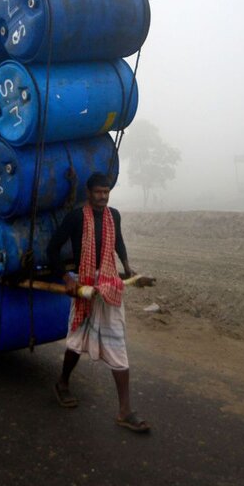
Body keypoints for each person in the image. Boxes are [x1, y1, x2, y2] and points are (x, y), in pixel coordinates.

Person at [47, 172, 149, 434]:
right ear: (89, 192)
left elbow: (118, 244)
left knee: (117, 339)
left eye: (107, 192)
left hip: (109, 285)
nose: (103, 196)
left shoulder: (114, 215)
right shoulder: (77, 217)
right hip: (86, 286)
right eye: (98, 192)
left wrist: (126, 267)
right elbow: (52, 250)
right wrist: (67, 279)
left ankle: (125, 411)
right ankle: (62, 382)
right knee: (77, 338)